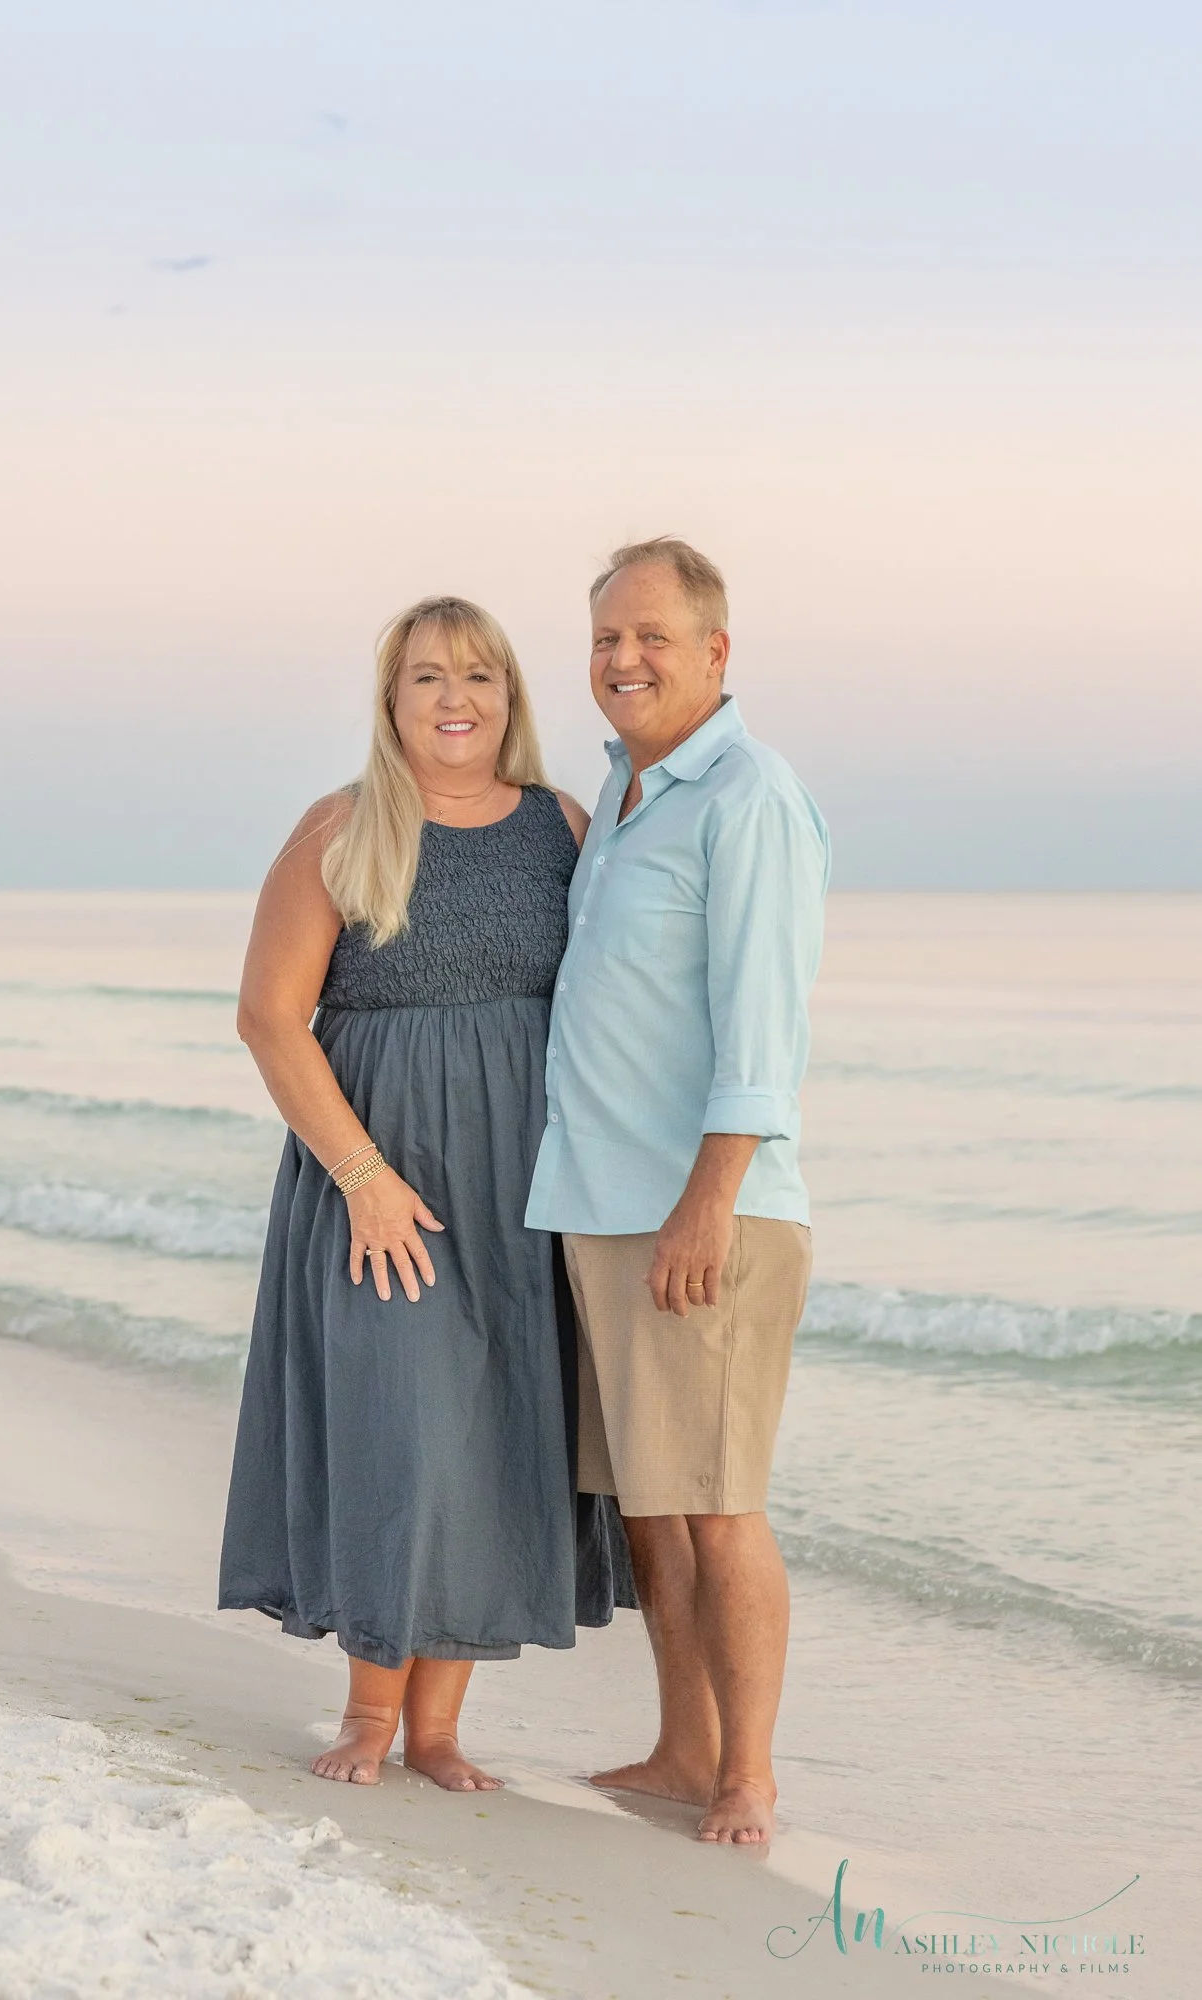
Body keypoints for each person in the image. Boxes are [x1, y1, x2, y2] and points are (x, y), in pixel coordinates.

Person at [218, 594, 599, 1793]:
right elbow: (269, 1018)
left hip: (521, 1186)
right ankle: (367, 1710)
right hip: (377, 1181)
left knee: (488, 1437)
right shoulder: (342, 825)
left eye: (479, 676)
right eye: (428, 675)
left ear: (509, 698)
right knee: (406, 1428)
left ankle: (436, 1727)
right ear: (391, 698)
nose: (455, 698)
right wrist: (364, 1178)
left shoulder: (563, 826)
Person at [525, 537, 829, 1845]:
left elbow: (760, 1031)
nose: (622, 659)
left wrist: (706, 1202)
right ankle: (678, 1748)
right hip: (599, 1206)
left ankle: (747, 1778)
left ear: (715, 652)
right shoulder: (624, 795)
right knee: (651, 1503)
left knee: (717, 1502)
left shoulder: (746, 796)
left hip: (701, 1211)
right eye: (603, 638)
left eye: (650, 636)